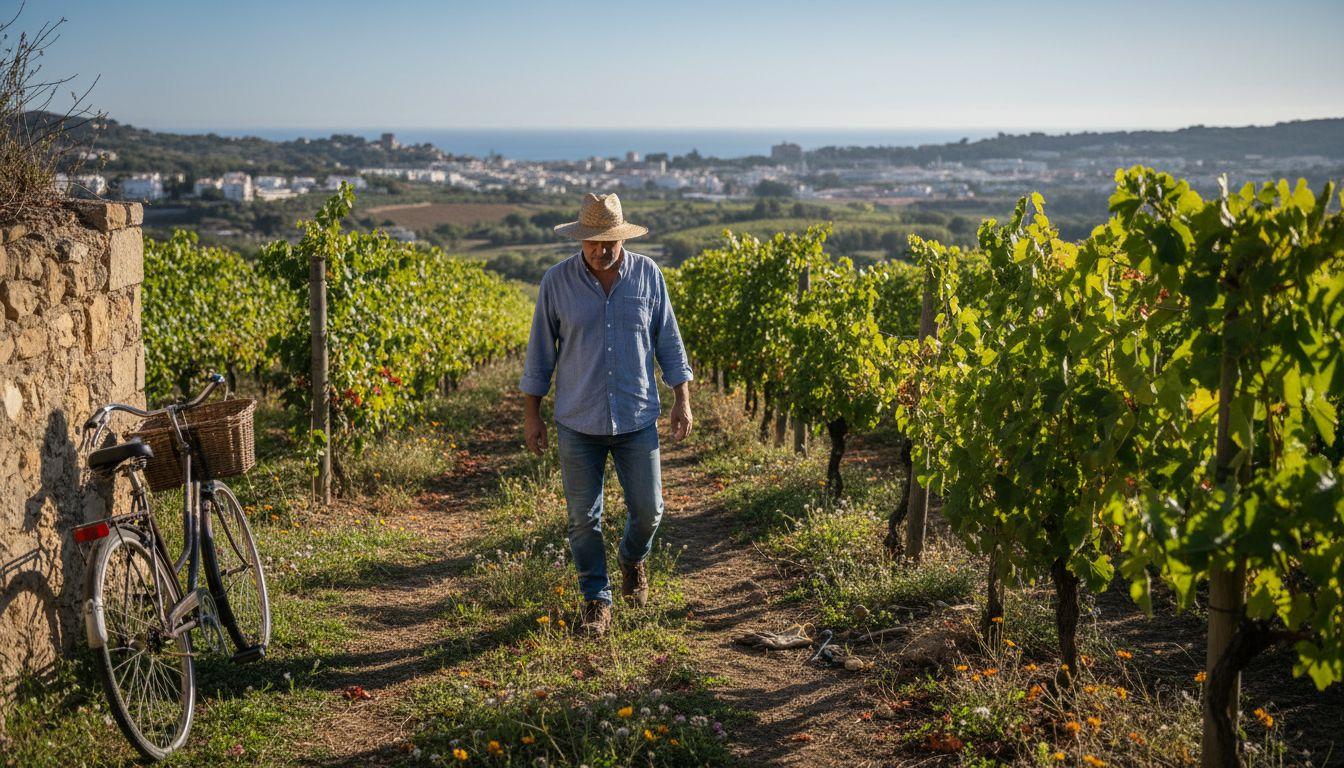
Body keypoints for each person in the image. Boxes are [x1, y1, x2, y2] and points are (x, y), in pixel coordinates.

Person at [520, 192, 693, 637]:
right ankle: (597, 599)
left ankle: (632, 559)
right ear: (581, 240)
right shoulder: (556, 282)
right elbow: (540, 352)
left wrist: (682, 398)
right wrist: (531, 415)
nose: (601, 250)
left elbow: (668, 341)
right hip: (578, 420)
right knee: (583, 518)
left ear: (621, 237)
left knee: (650, 509)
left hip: (637, 417)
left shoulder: (649, 275)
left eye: (608, 242)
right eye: (593, 242)